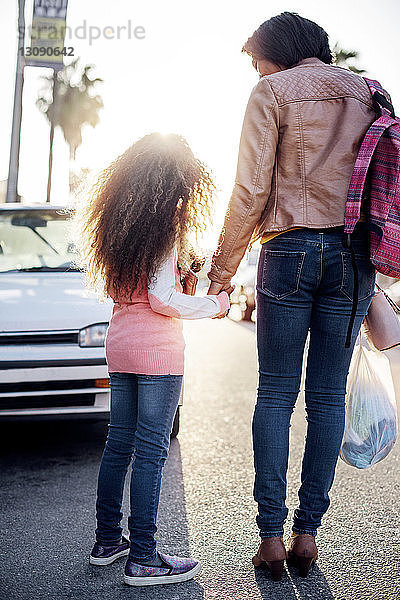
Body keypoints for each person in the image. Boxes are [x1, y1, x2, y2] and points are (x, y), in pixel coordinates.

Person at [207, 11, 391, 580]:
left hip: (288, 251)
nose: (254, 71)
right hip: (353, 257)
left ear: (277, 52)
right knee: (328, 398)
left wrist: (222, 268)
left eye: (255, 59)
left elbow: (250, 187)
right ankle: (308, 532)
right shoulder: (369, 92)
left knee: (276, 393)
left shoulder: (272, 91)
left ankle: (270, 539)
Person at [74, 133, 231, 587]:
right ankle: (143, 557)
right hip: (158, 350)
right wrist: (216, 306)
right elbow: (163, 298)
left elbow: (125, 291)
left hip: (120, 343)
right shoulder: (164, 226)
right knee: (151, 453)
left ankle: (108, 541)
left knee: (118, 444)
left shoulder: (118, 226)